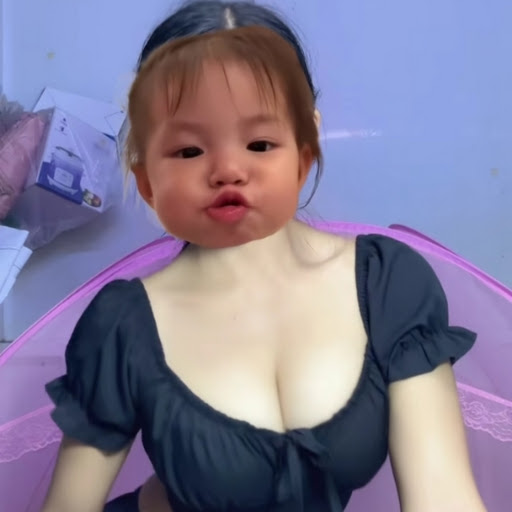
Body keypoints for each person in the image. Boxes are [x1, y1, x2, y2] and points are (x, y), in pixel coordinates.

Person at [41, 2, 487, 512]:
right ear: (146, 173)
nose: (228, 170)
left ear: (305, 142)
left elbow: (443, 496)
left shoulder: (387, 285)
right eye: (189, 150)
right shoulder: (122, 324)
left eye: (259, 143)